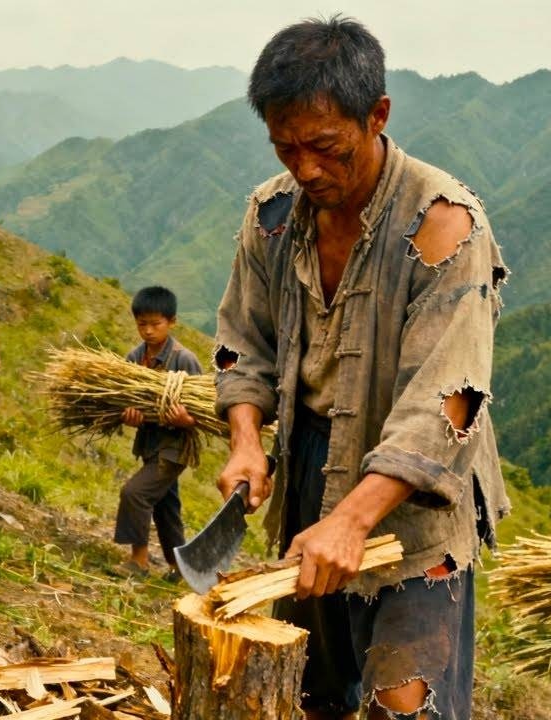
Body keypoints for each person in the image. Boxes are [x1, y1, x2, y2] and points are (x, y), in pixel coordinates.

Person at [212, 16, 510, 720]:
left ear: (377, 115)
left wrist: (352, 520)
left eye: (325, 146)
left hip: (412, 496)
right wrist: (247, 439)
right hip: (309, 470)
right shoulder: (272, 216)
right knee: (308, 688)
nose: (306, 169)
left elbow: (447, 402)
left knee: (403, 704)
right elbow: (241, 343)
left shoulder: (445, 227)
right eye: (287, 148)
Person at [112, 286, 202, 580]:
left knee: (135, 494)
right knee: (166, 506)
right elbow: (128, 402)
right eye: (142, 324)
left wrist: (185, 419)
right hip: (150, 445)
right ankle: (179, 568)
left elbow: (203, 412)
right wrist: (131, 416)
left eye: (156, 324)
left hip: (174, 449)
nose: (148, 331)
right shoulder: (134, 358)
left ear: (172, 321)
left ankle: (139, 562)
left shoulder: (183, 360)